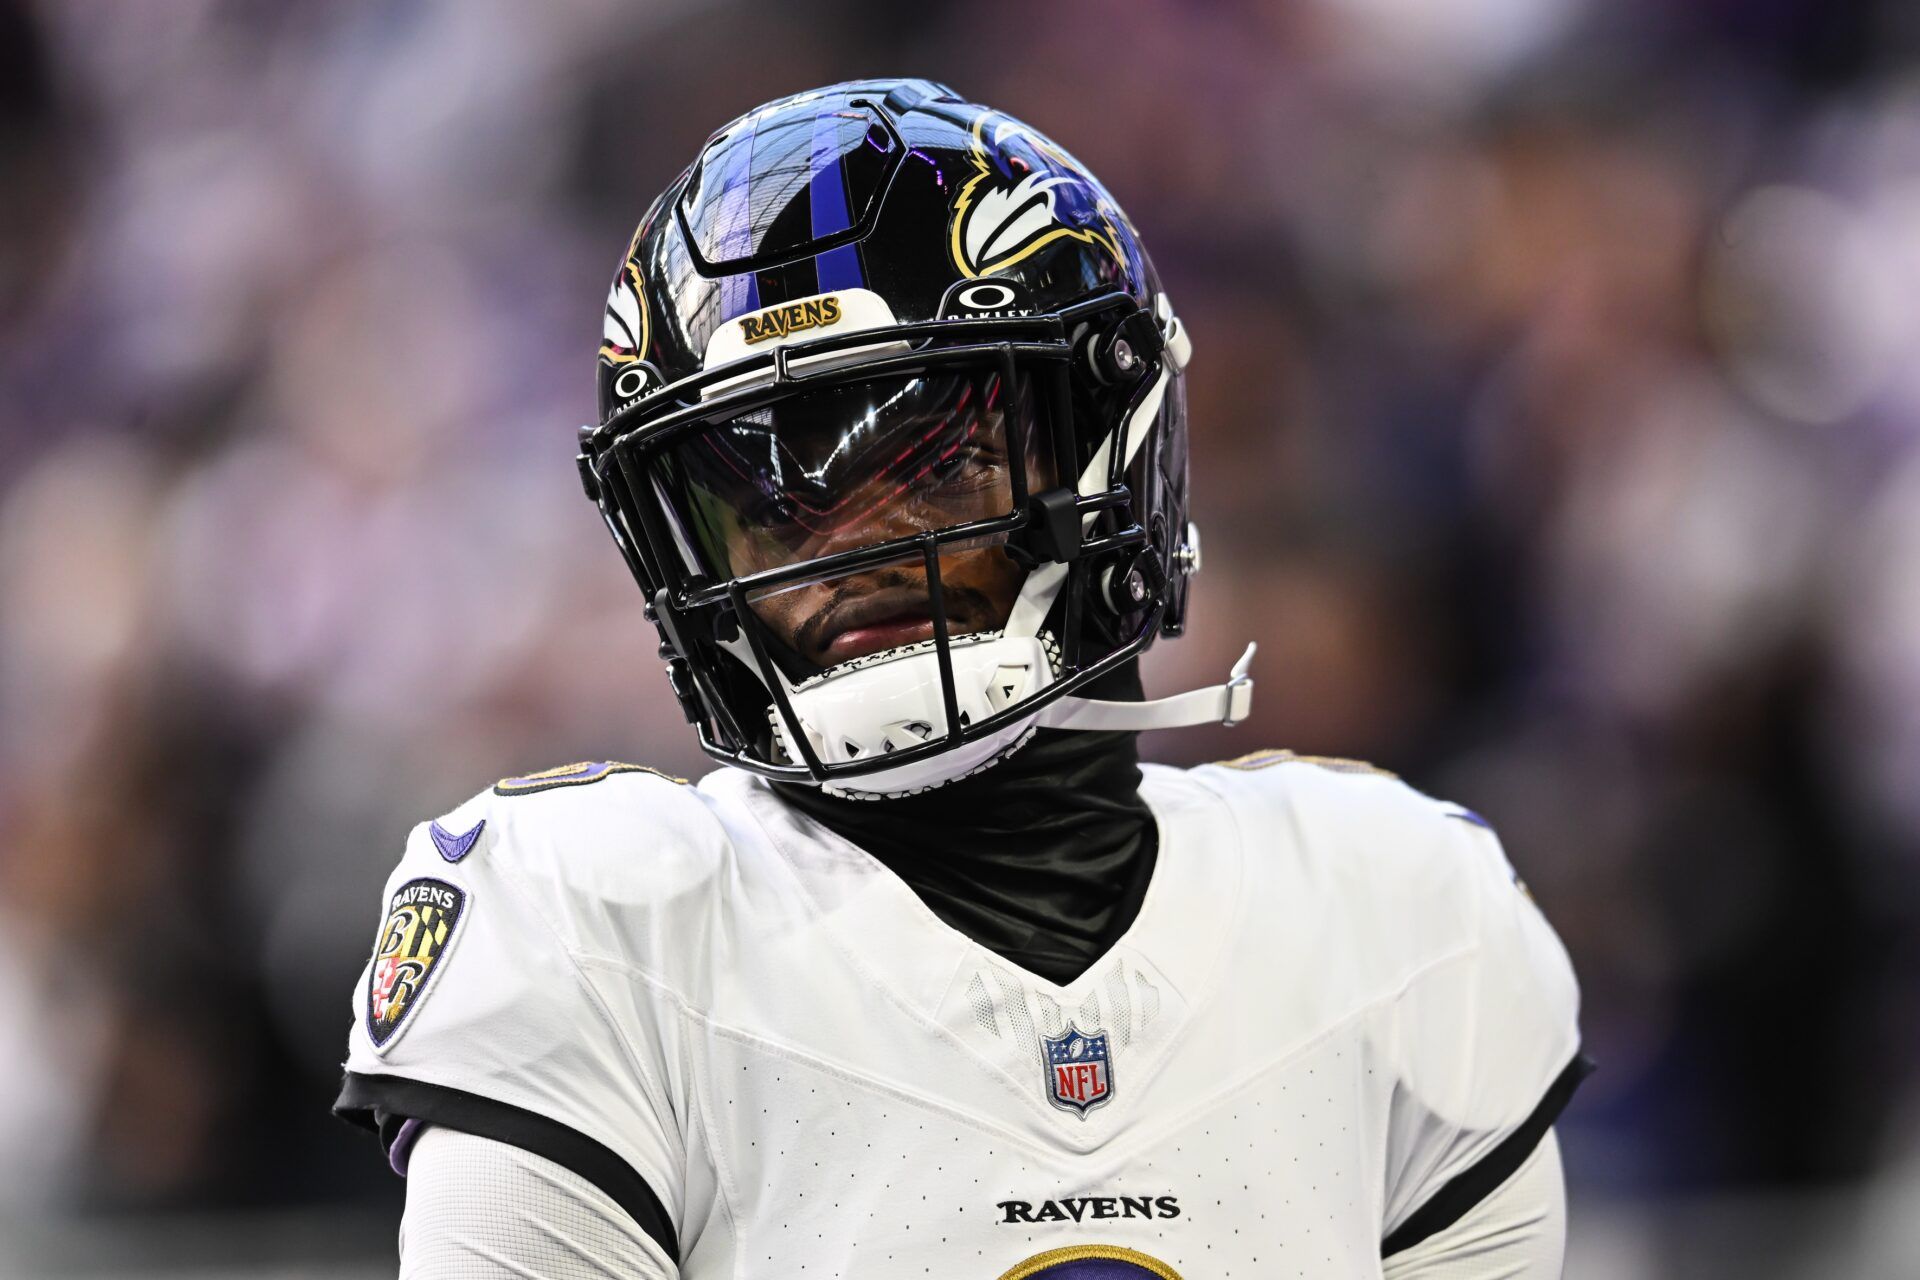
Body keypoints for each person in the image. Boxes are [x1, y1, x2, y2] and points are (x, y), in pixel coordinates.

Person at [335, 79, 1589, 1279]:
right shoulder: (600, 924)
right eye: (771, 503)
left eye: (935, 463)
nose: (854, 554)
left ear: (1110, 451)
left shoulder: (1399, 916)